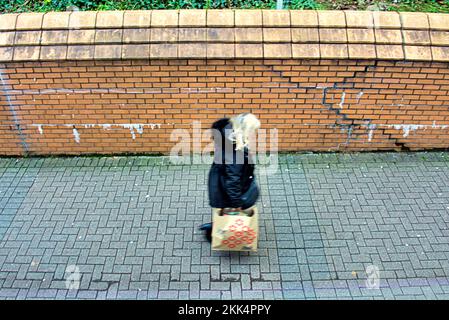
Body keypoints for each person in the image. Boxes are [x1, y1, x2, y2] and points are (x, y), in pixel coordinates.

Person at [199, 113, 261, 242]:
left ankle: (216, 226)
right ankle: (215, 232)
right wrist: (236, 202)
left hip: (219, 180)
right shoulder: (235, 152)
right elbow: (233, 181)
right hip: (224, 185)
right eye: (251, 130)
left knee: (226, 208)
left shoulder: (226, 134)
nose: (253, 133)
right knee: (230, 209)